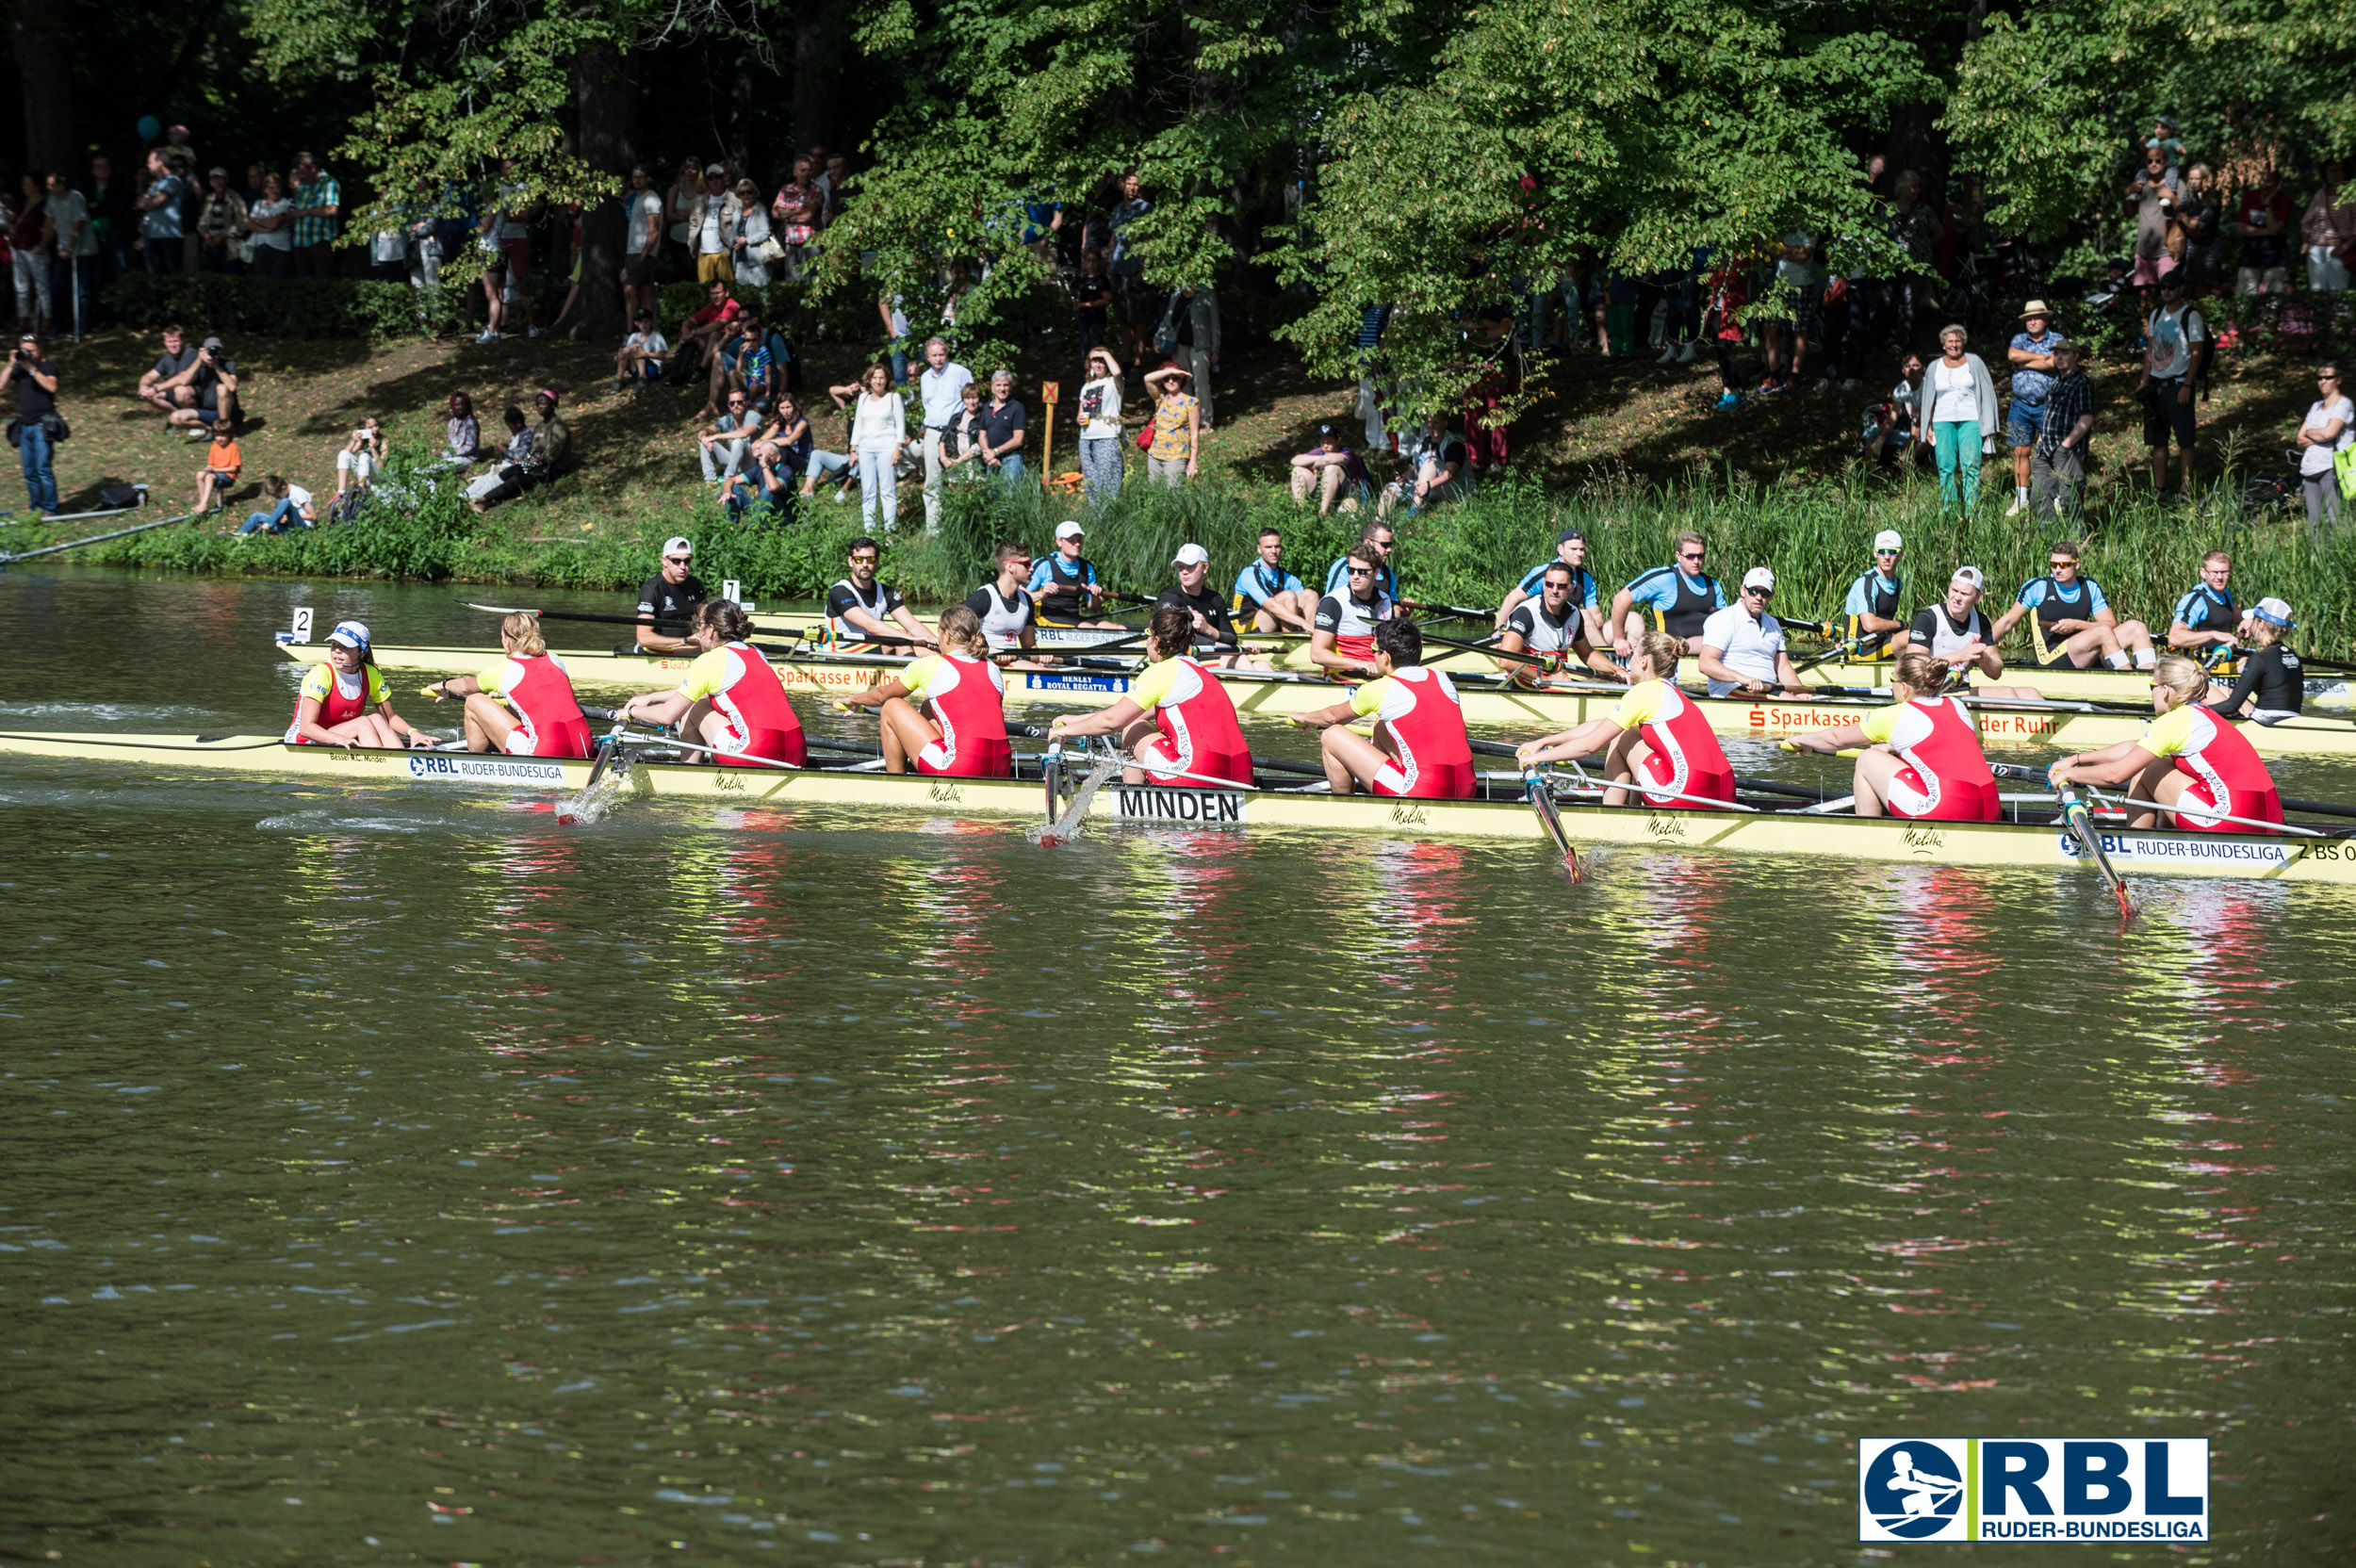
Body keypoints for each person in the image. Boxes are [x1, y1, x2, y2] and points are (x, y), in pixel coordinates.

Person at [2050, 656, 2282, 832]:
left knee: (2145, 768)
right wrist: (2077, 759)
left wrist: (2069, 775)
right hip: (2272, 820)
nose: (2151, 693)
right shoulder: (2203, 714)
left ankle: (2137, 846)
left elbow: (2115, 775)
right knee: (2148, 761)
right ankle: (2162, 835)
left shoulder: (2173, 721)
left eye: (2152, 687)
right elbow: (2135, 748)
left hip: (2231, 820)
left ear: (2165, 690)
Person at [1515, 629, 1734, 809]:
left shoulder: (1644, 691)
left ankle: (1612, 818)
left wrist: (1534, 759)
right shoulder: (1675, 695)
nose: (1630, 661)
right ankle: (1634, 805)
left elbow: (1590, 746)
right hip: (1724, 794)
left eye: (1633, 656)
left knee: (1621, 736)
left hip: (1687, 792)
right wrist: (1543, 742)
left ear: (1644, 661)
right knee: (1624, 731)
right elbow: (1599, 726)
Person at [1049, 604, 1255, 787]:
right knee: (1137, 722)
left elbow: (1114, 722)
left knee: (1133, 728)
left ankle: (1130, 800)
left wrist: (1066, 732)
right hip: (1241, 776)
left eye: (1148, 635)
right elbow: (1123, 713)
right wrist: (1073, 721)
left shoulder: (1159, 671)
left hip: (1197, 774)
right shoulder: (1199, 671)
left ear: (1156, 640)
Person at [1782, 649, 2001, 821]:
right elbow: (1937, 748)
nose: (1892, 686)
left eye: (1892, 679)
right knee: (1882, 753)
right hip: (1991, 807)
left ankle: (1869, 835)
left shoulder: (1894, 715)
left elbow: (1835, 739)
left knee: (1868, 758)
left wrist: (1802, 738)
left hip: (1946, 809)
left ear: (1904, 688)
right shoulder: (1957, 705)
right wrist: (1890, 747)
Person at [1291, 618, 1475, 799]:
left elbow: (1331, 717)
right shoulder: (1441, 678)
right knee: (1381, 724)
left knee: (1331, 735)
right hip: (1467, 787)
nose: (1372, 655)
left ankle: (1343, 806)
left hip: (1422, 790)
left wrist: (1305, 717)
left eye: (1373, 650)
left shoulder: (1380, 688)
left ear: (1385, 657)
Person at [621, 599, 807, 768]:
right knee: (704, 701)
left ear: (710, 630)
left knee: (693, 707)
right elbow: (696, 691)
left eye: (699, 626)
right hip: (797, 752)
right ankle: (712, 765)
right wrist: (651, 697)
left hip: (757, 753)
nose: (697, 633)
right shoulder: (756, 652)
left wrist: (630, 711)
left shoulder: (709, 659)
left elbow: (667, 715)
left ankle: (689, 773)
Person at [841, 604, 1012, 777]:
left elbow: (881, 696)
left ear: (946, 636)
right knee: (929, 706)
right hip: (1002, 766)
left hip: (963, 767)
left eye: (939, 633)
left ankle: (894, 782)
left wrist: (854, 700)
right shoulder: (992, 667)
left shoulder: (930, 665)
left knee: (892, 706)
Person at [426, 612, 594, 759]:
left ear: (507, 640)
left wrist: (444, 684)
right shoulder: (555, 658)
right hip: (585, 744)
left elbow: (465, 686)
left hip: (547, 750)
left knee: (473, 701)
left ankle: (477, 763)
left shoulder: (506, 670)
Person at [1990, 539, 2158, 671]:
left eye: (2063, 565)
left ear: (2076, 565)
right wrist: (1981, 647)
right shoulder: (2038, 587)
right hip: (2051, 658)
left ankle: (2149, 680)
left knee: (2137, 627)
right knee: (2102, 632)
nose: (2057, 570)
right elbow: (2008, 622)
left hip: (2084, 650)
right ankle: (2129, 680)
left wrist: (2076, 625)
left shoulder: (2089, 586)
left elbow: (2110, 624)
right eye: (2053, 565)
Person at [286, 621, 435, 749]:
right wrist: (339, 739)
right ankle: (384, 766)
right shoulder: (320, 674)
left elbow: (390, 718)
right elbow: (306, 728)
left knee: (377, 718)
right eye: (334, 644)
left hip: (342, 737)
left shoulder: (371, 674)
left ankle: (401, 761)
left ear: (362, 652)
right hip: (304, 740)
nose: (337, 650)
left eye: (345, 646)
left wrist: (413, 732)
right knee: (362, 722)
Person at [1920, 323, 1998, 514]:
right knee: (1945, 466)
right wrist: (1927, 425)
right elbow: (1928, 397)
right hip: (1942, 420)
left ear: (1963, 342)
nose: (1954, 344)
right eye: (1950, 341)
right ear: (1943, 344)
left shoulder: (1975, 362)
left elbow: (1987, 394)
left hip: (1971, 419)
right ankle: (1950, 512)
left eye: (1958, 340)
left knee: (1970, 466)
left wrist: (1988, 426)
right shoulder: (1934, 367)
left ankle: (1971, 512)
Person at [1694, 567, 1807, 698]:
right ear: (1743, 591)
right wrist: (1742, 678)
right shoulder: (1723, 619)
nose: (1759, 597)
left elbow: (1783, 668)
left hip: (1767, 690)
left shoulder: (1774, 625)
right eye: (1753, 592)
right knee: (1792, 703)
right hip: (1732, 690)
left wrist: (1802, 692)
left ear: (1771, 596)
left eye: (1764, 593)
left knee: (1803, 703)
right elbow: (1706, 663)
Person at [2140, 276, 2207, 497]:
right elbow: (2150, 350)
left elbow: (2197, 352)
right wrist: (2143, 381)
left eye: (2171, 288)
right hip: (2155, 387)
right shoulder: (2156, 314)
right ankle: (2159, 488)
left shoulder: (2191, 316)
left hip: (2179, 384)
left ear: (2180, 288)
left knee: (2185, 440)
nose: (2166, 292)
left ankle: (2186, 488)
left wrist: (2188, 384)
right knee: (2158, 440)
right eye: (2162, 288)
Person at [1495, 561, 1612, 685]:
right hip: (1527, 683)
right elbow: (1506, 661)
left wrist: (1617, 670)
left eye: (1561, 586)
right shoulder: (1526, 613)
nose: (1554, 590)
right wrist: (1547, 680)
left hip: (1557, 679)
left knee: (1602, 689)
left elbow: (1587, 654)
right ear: (1544, 585)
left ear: (1571, 588)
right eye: (1549, 585)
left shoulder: (1574, 614)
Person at [1609, 531, 1725, 653]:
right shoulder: (1664, 579)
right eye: (1690, 556)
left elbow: (1726, 621)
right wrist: (1619, 639)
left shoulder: (1713, 585)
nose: (1696, 561)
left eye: (1700, 556)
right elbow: (1621, 599)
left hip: (1706, 652)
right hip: (1666, 654)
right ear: (1678, 556)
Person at [1156, 542, 1266, 667]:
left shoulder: (1215, 598)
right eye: (1180, 567)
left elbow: (1231, 638)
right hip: (1184, 660)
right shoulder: (1169, 598)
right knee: (1241, 659)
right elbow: (1171, 638)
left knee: (1262, 665)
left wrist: (1208, 629)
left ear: (1205, 568)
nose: (1184, 572)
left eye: (1190, 566)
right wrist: (1228, 648)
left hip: (1211, 656)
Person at [2004, 303, 2065, 516]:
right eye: (2029, 318)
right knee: (2021, 451)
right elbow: (2012, 355)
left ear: (2045, 320)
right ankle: (2021, 499)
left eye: (2037, 318)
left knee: (2052, 452)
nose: (2032, 321)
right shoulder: (2019, 339)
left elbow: (2054, 363)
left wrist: (2026, 362)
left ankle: (2055, 497)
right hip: (2020, 406)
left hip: (2049, 406)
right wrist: (2043, 360)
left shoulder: (2056, 339)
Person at [1497, 526, 1604, 644]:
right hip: (1542, 632)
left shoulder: (1586, 578)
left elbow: (1597, 617)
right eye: (1574, 549)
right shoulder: (1544, 573)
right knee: (1583, 614)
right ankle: (1608, 659)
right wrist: (1498, 633)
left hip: (1570, 632)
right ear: (1560, 549)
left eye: (1582, 549)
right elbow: (1512, 599)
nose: (1579, 553)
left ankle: (1611, 655)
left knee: (1628, 620)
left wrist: (1581, 625)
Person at [826, 536, 936, 651]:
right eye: (859, 559)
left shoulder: (886, 592)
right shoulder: (839, 591)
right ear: (850, 561)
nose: (864, 564)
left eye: (870, 560)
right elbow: (871, 626)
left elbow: (912, 625)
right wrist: (910, 638)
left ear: (877, 562)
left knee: (925, 650)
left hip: (871, 645)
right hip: (842, 651)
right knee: (901, 640)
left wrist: (938, 645)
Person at [2204, 598, 2303, 722]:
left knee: (2206, 691)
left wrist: (2196, 711)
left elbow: (2231, 706)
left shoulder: (2260, 658)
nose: (2251, 625)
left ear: (2261, 622)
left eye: (2254, 620)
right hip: (2292, 720)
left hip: (2266, 723)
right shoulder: (2292, 654)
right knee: (2224, 690)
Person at [1307, 544, 1395, 680]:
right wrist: (1359, 664)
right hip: (1343, 675)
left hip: (1378, 676)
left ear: (1377, 572)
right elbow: (1317, 654)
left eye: (1362, 572)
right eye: (1351, 570)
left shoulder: (1385, 601)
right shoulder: (1333, 602)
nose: (1355, 576)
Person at [914, 335, 974, 531]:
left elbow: (972, 400)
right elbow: (927, 405)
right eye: (934, 355)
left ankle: (963, 525)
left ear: (947, 354)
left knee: (959, 479)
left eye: (941, 354)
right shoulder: (924, 378)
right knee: (932, 481)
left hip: (955, 432)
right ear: (928, 357)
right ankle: (934, 528)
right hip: (932, 432)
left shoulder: (960, 373)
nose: (938, 359)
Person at [2030, 340, 2095, 521]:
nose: (2059, 357)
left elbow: (2087, 418)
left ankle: (2077, 543)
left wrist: (2065, 446)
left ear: (2076, 356)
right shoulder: (2056, 381)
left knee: (2070, 499)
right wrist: (2041, 438)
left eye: (2065, 353)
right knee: (2039, 497)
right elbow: (2050, 412)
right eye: (2056, 353)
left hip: (2067, 451)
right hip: (2045, 448)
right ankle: (2048, 541)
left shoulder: (2081, 382)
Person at [1, 333, 59, 515]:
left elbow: (52, 387)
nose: (28, 354)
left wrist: (32, 369)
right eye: (25, 350)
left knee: (43, 470)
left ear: (39, 349)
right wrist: (11, 363)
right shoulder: (19, 368)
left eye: (32, 350)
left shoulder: (47, 365)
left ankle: (50, 509)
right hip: (25, 425)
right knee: (29, 472)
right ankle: (36, 508)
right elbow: (1, 386)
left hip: (42, 425)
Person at [2294, 361, 2353, 536]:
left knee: (2335, 517)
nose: (2323, 381)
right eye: (2320, 378)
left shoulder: (2343, 404)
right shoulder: (2316, 406)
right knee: (2314, 521)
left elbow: (2329, 433)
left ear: (2339, 380)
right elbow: (2299, 439)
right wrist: (2317, 434)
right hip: (2310, 468)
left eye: (2328, 377)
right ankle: (2317, 557)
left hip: (2331, 466)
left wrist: (2310, 432)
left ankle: (2340, 556)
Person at [1026, 520, 1121, 629]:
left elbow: (1095, 609)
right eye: (1071, 540)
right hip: (1046, 617)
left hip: (1074, 617)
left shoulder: (1087, 568)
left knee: (1120, 629)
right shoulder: (1044, 565)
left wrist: (1095, 597)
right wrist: (1043, 593)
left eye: (1079, 540)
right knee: (1089, 628)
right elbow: (1021, 597)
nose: (1077, 544)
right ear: (1059, 542)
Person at [1378, 411, 1472, 519]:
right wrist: (1404, 477)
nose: (1431, 426)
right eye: (1429, 422)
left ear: (1445, 423)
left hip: (1453, 488)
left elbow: (1450, 474)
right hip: (1425, 487)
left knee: (1429, 462)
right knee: (1390, 488)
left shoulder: (1453, 444)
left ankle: (1413, 511)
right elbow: (1415, 467)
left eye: (1436, 422)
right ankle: (1381, 521)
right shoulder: (1423, 443)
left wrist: (1427, 486)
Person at [849, 362, 908, 529]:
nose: (878, 381)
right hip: (866, 448)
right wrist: (853, 450)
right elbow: (858, 425)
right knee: (868, 491)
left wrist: (899, 448)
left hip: (887, 448)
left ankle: (889, 531)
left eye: (881, 378)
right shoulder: (863, 398)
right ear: (869, 380)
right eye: (875, 378)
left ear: (887, 380)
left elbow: (900, 425)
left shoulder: (893, 398)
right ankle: (870, 531)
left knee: (888, 491)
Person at [965, 539, 1044, 658]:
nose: (1031, 568)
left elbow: (1029, 646)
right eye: (1027, 564)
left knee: (1051, 670)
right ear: (1010, 566)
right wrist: (984, 647)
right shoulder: (983, 597)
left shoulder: (1026, 601)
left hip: (1013, 660)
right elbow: (952, 627)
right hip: (986, 660)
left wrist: (1042, 656)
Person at [1232, 527, 1315, 634]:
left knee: (1310, 595)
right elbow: (1271, 606)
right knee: (1288, 597)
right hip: (1244, 628)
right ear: (1259, 549)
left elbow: (1304, 604)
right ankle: (1292, 641)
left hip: (1269, 624)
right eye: (1268, 547)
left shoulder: (1287, 577)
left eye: (1277, 546)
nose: (1273, 551)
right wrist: (1303, 623)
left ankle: (1310, 639)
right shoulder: (1249, 574)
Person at [634, 536, 708, 654]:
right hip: (656, 650)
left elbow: (706, 617)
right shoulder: (651, 589)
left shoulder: (695, 584)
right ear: (664, 561)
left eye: (687, 561)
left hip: (688, 646)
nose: (683, 567)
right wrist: (686, 641)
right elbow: (643, 638)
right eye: (676, 561)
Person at [2168, 549, 2244, 659]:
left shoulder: (2225, 594)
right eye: (2214, 572)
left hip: (2222, 659)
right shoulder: (2196, 600)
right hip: (2200, 665)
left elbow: (2236, 615)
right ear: (2203, 573)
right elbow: (2175, 638)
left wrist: (2250, 619)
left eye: (2224, 572)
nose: (2219, 577)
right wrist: (2213, 634)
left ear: (2230, 572)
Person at [1841, 530, 1907, 654]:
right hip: (1859, 650)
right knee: (1910, 637)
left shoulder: (1897, 584)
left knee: (1919, 635)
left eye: (1892, 552)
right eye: (1882, 552)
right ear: (1875, 553)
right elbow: (1870, 625)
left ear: (1901, 554)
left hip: (1881, 643)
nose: (1886, 557)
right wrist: (1898, 625)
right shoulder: (1866, 582)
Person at [2233, 167, 2294, 296]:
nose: (2265, 185)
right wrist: (2269, 231)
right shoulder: (2249, 197)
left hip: (2276, 259)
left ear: (2278, 183)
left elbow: (2274, 229)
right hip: (2250, 257)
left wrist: (2267, 205)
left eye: (2269, 181)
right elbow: (2240, 228)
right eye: (2263, 180)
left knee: (2274, 302)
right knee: (2243, 300)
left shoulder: (2285, 200)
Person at [1076, 346, 1124, 506]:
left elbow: (1117, 372)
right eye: (1093, 361)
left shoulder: (1113, 383)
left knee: (1109, 483)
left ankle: (1112, 519)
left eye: (1101, 361)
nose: (1097, 365)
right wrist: (1079, 419)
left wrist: (1104, 352)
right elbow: (1080, 413)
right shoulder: (1086, 387)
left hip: (1107, 438)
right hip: (1086, 439)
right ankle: (1098, 521)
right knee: (1092, 483)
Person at [1288, 426, 1369, 515]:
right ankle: (1300, 511)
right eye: (1323, 442)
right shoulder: (1321, 451)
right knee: (1298, 470)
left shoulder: (1346, 452)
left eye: (1329, 442)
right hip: (1322, 489)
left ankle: (1323, 513)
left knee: (1331, 468)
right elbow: (1295, 460)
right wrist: (1319, 460)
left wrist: (1314, 464)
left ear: (1338, 441)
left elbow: (1329, 460)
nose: (1325, 446)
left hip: (1346, 493)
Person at [1141, 360, 1200, 486]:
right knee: (1155, 494)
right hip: (1155, 454)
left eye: (1175, 378)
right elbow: (1147, 379)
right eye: (1166, 378)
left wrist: (1193, 460)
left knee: (1174, 496)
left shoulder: (1191, 402)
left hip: (1177, 456)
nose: (1171, 381)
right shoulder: (1160, 398)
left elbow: (1194, 434)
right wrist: (1171, 371)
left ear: (1181, 379)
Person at [2301, 160, 2356, 294]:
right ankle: (2320, 316)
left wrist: (2344, 248)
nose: (2335, 174)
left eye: (2339, 170)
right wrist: (2305, 243)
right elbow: (2307, 221)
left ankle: (2339, 316)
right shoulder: (2321, 194)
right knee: (2317, 290)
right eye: (2331, 171)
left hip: (2339, 249)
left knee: (2338, 291)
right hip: (2316, 248)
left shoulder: (2352, 195)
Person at [10, 174, 52, 335]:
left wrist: (43, 244)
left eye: (27, 184)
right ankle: (23, 321)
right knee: (21, 287)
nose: (23, 187)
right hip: (19, 249)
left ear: (36, 186)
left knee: (42, 287)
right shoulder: (23, 204)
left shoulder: (44, 204)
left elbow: (49, 226)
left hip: (35, 250)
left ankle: (46, 321)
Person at [622, 165, 663, 323]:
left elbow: (655, 231)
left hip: (642, 252)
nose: (637, 180)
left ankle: (630, 330)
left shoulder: (651, 199)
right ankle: (647, 329)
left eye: (641, 177)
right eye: (635, 177)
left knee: (629, 290)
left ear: (648, 178)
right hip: (632, 250)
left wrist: (644, 255)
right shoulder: (638, 197)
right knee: (645, 290)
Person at [289, 152, 341, 278]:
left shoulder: (329, 183)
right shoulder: (303, 184)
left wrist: (307, 212)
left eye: (302, 173)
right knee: (305, 285)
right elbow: (297, 206)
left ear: (312, 168)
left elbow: (332, 209)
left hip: (320, 242)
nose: (300, 177)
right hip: (300, 242)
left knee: (323, 283)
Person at [687, 163, 740, 286]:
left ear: (724, 179)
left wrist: (733, 245)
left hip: (724, 251)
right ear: (707, 181)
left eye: (718, 177)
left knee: (728, 288)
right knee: (705, 291)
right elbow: (693, 222)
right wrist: (693, 242)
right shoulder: (701, 199)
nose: (714, 181)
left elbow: (741, 223)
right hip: (704, 251)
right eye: (711, 178)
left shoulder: (734, 199)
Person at [136, 325, 201, 422]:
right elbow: (150, 376)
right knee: (149, 395)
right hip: (174, 393)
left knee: (180, 391)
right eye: (169, 342)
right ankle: (178, 417)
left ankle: (197, 420)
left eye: (176, 341)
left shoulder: (191, 354)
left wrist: (155, 389)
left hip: (196, 393)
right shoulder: (167, 359)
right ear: (165, 343)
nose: (173, 345)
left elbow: (182, 379)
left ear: (182, 340)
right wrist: (143, 387)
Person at [1322, 518, 1400, 599]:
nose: (1389, 549)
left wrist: (1404, 611)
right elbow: (1332, 602)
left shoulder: (1388, 574)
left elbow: (1393, 605)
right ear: (1368, 543)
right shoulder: (1345, 566)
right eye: (1385, 545)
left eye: (1390, 545)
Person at [976, 369, 1027, 485]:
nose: (1002, 389)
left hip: (1011, 459)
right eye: (998, 385)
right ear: (992, 387)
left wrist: (995, 451)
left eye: (1005, 385)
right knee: (992, 497)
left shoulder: (1017, 408)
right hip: (991, 460)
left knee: (1010, 497)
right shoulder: (986, 408)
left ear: (1010, 387)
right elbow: (982, 433)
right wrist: (987, 454)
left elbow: (1018, 440)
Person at [698, 391, 759, 489]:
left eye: (739, 402)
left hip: (751, 464)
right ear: (728, 405)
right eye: (732, 403)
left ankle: (728, 478)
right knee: (704, 442)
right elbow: (705, 430)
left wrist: (717, 436)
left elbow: (744, 433)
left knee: (738, 441)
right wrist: (704, 437)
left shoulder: (754, 416)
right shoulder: (726, 419)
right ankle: (710, 481)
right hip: (733, 462)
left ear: (746, 403)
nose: (736, 405)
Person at [196, 168, 247, 273]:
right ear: (211, 182)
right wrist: (205, 235)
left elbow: (242, 223)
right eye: (215, 179)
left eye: (221, 179)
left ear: (227, 181)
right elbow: (201, 223)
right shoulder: (208, 199)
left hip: (229, 247)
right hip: (209, 245)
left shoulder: (235, 198)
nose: (219, 182)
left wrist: (223, 234)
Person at [243, 172, 293, 279]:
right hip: (261, 248)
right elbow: (248, 224)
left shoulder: (285, 204)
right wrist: (266, 228)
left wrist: (257, 221)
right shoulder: (258, 204)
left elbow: (274, 224)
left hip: (281, 249)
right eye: (271, 187)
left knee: (277, 284)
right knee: (261, 283)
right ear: (265, 189)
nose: (275, 190)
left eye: (277, 187)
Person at [235, 474, 317, 535]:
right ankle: (240, 534)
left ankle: (267, 526)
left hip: (303, 527)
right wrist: (282, 518)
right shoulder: (283, 495)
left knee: (286, 502)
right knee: (257, 515)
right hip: (288, 526)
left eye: (277, 496)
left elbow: (313, 516)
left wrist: (289, 517)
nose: (278, 498)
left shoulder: (298, 493)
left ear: (283, 487)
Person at [333, 416, 381, 516]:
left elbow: (382, 465)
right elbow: (346, 454)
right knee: (343, 453)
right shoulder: (363, 441)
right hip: (364, 474)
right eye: (371, 427)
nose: (375, 429)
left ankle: (361, 491)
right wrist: (354, 440)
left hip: (378, 474)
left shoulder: (383, 440)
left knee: (364, 456)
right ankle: (341, 491)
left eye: (376, 425)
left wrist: (372, 448)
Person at [613, 307, 668, 388]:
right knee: (627, 350)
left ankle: (643, 378)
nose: (643, 324)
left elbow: (662, 356)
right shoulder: (634, 336)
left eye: (646, 321)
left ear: (651, 321)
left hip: (652, 371)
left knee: (636, 348)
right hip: (635, 370)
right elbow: (627, 354)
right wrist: (619, 356)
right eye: (640, 321)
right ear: (636, 323)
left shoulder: (657, 336)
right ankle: (618, 379)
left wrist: (645, 354)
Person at [194, 427, 241, 513]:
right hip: (215, 472)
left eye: (223, 435)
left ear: (230, 435)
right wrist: (208, 467)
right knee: (200, 474)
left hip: (228, 476)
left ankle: (204, 504)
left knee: (209, 477)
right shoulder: (214, 446)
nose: (220, 438)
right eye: (218, 435)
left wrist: (215, 470)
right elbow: (211, 463)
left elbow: (234, 468)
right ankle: (202, 503)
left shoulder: (233, 447)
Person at [445, 391, 482, 461]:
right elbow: (452, 444)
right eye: (457, 405)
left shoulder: (470, 422)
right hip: (453, 456)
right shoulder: (451, 423)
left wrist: (450, 454)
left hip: (468, 458)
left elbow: (470, 447)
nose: (460, 407)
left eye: (462, 404)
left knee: (437, 467)